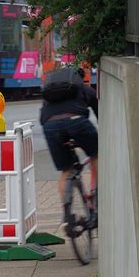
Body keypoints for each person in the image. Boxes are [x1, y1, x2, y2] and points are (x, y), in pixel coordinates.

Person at [40, 67, 98, 224]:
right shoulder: (84, 88)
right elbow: (101, 115)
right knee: (96, 154)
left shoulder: (50, 94)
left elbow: (43, 118)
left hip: (50, 127)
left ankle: (66, 213)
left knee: (66, 170)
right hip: (77, 122)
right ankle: (97, 194)